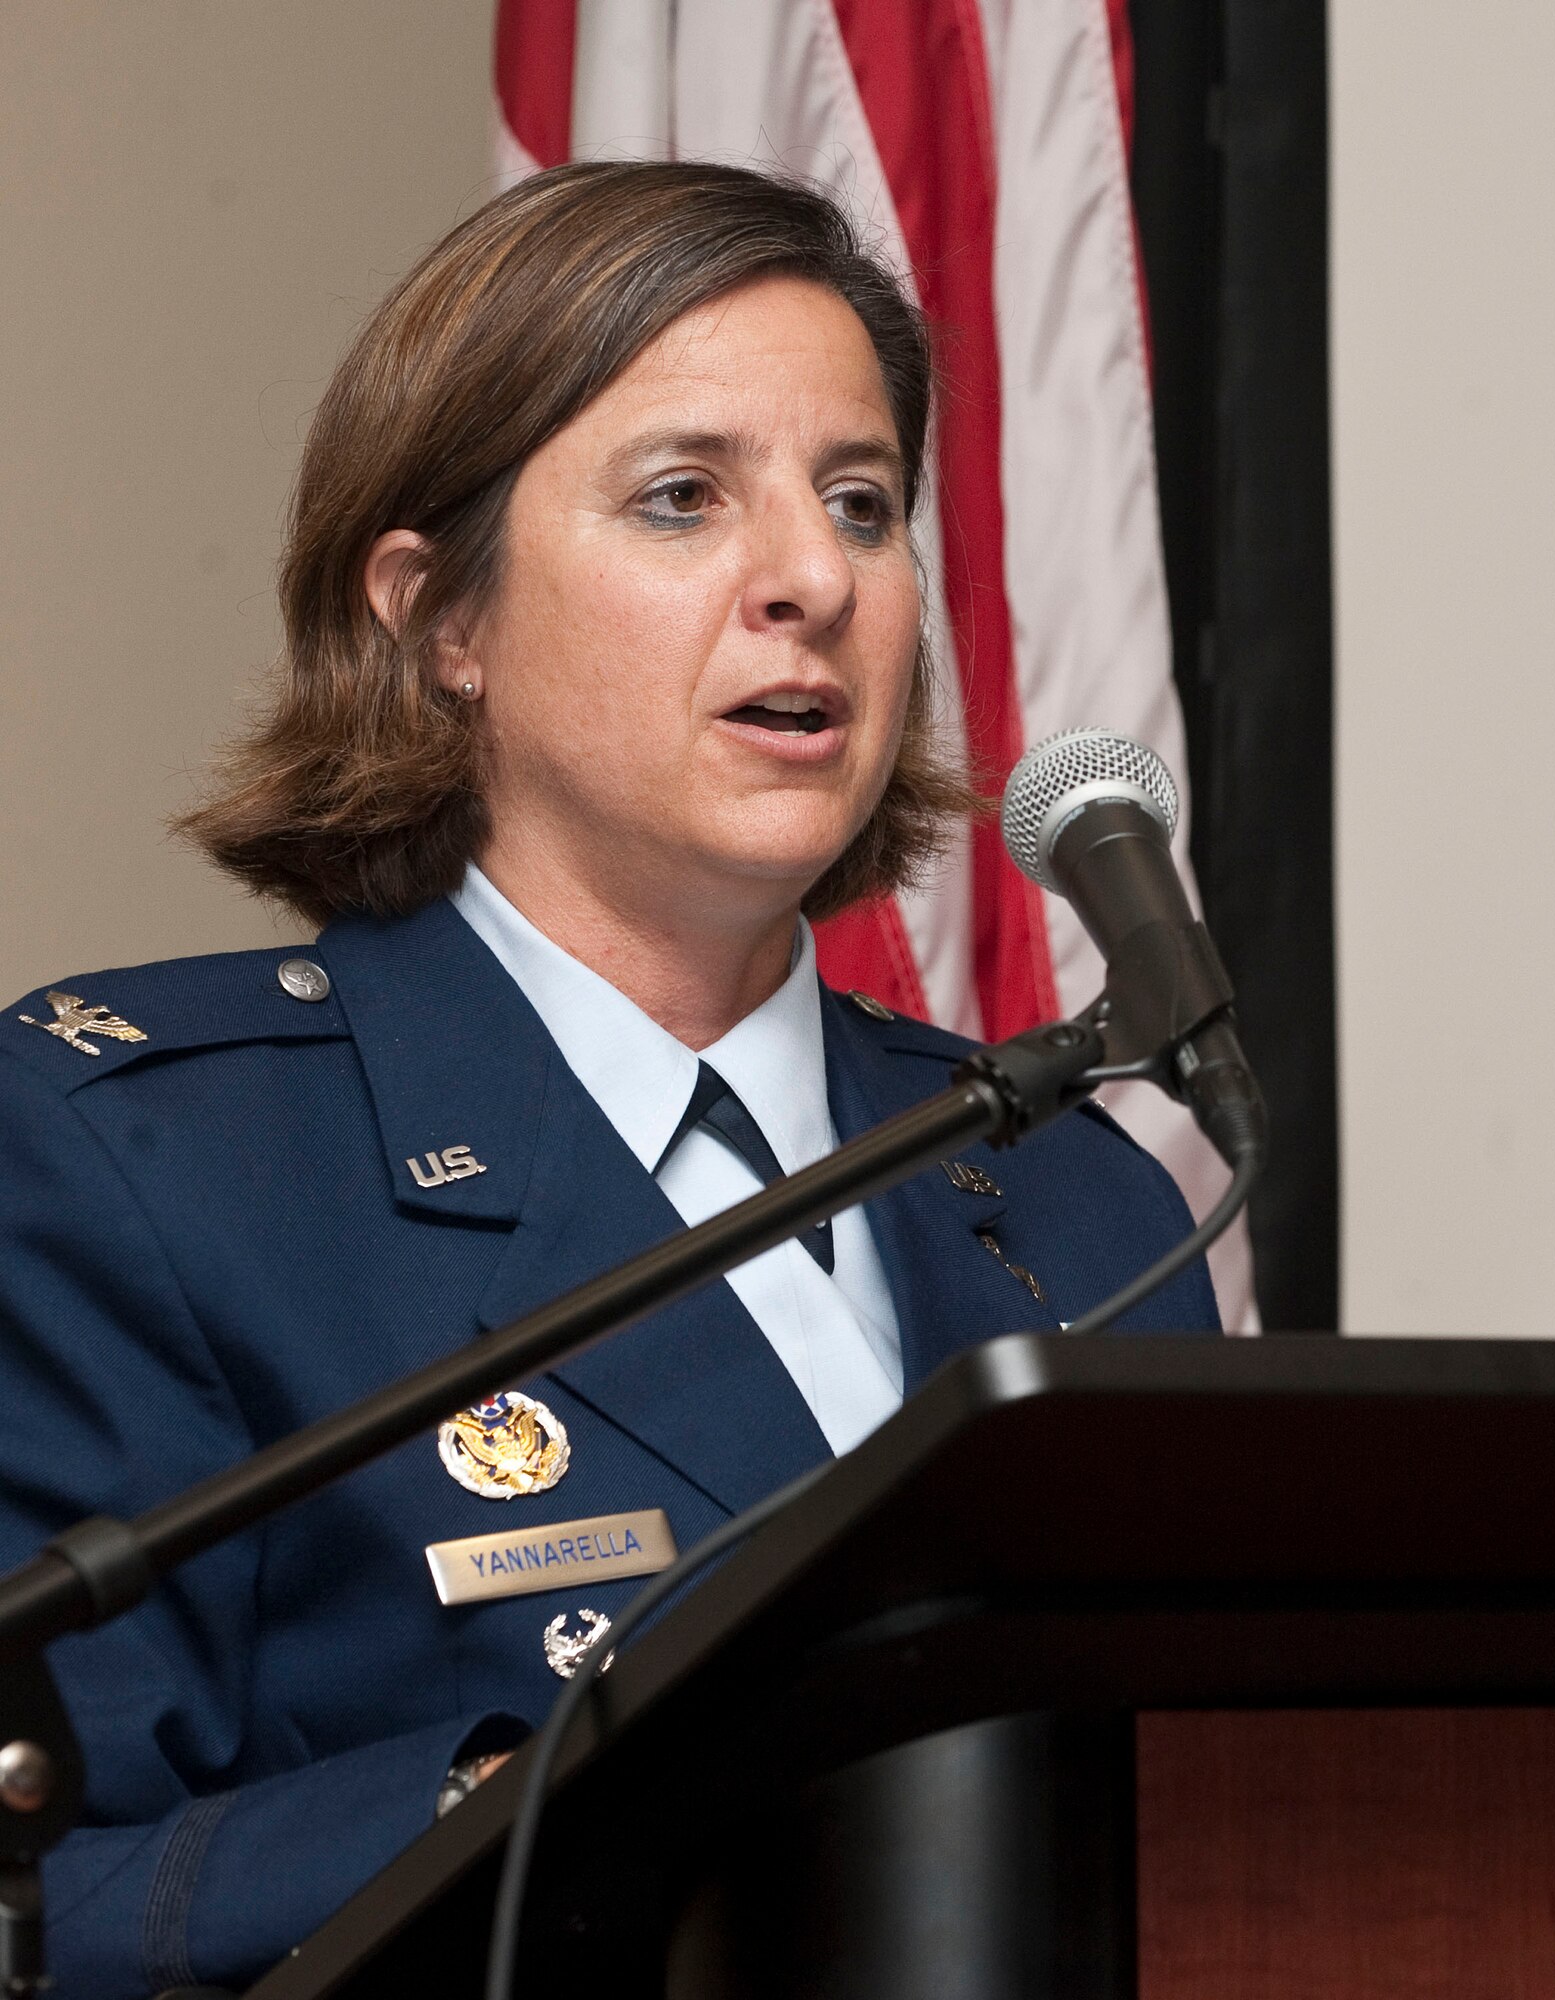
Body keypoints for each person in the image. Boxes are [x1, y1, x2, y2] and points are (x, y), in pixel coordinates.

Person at [0, 161, 1218, 1998]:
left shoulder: (1071, 1187)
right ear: (440, 621)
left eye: (864, 505)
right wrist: (528, 1800)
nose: (812, 580)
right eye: (681, 500)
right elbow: (46, 1900)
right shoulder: (141, 1158)